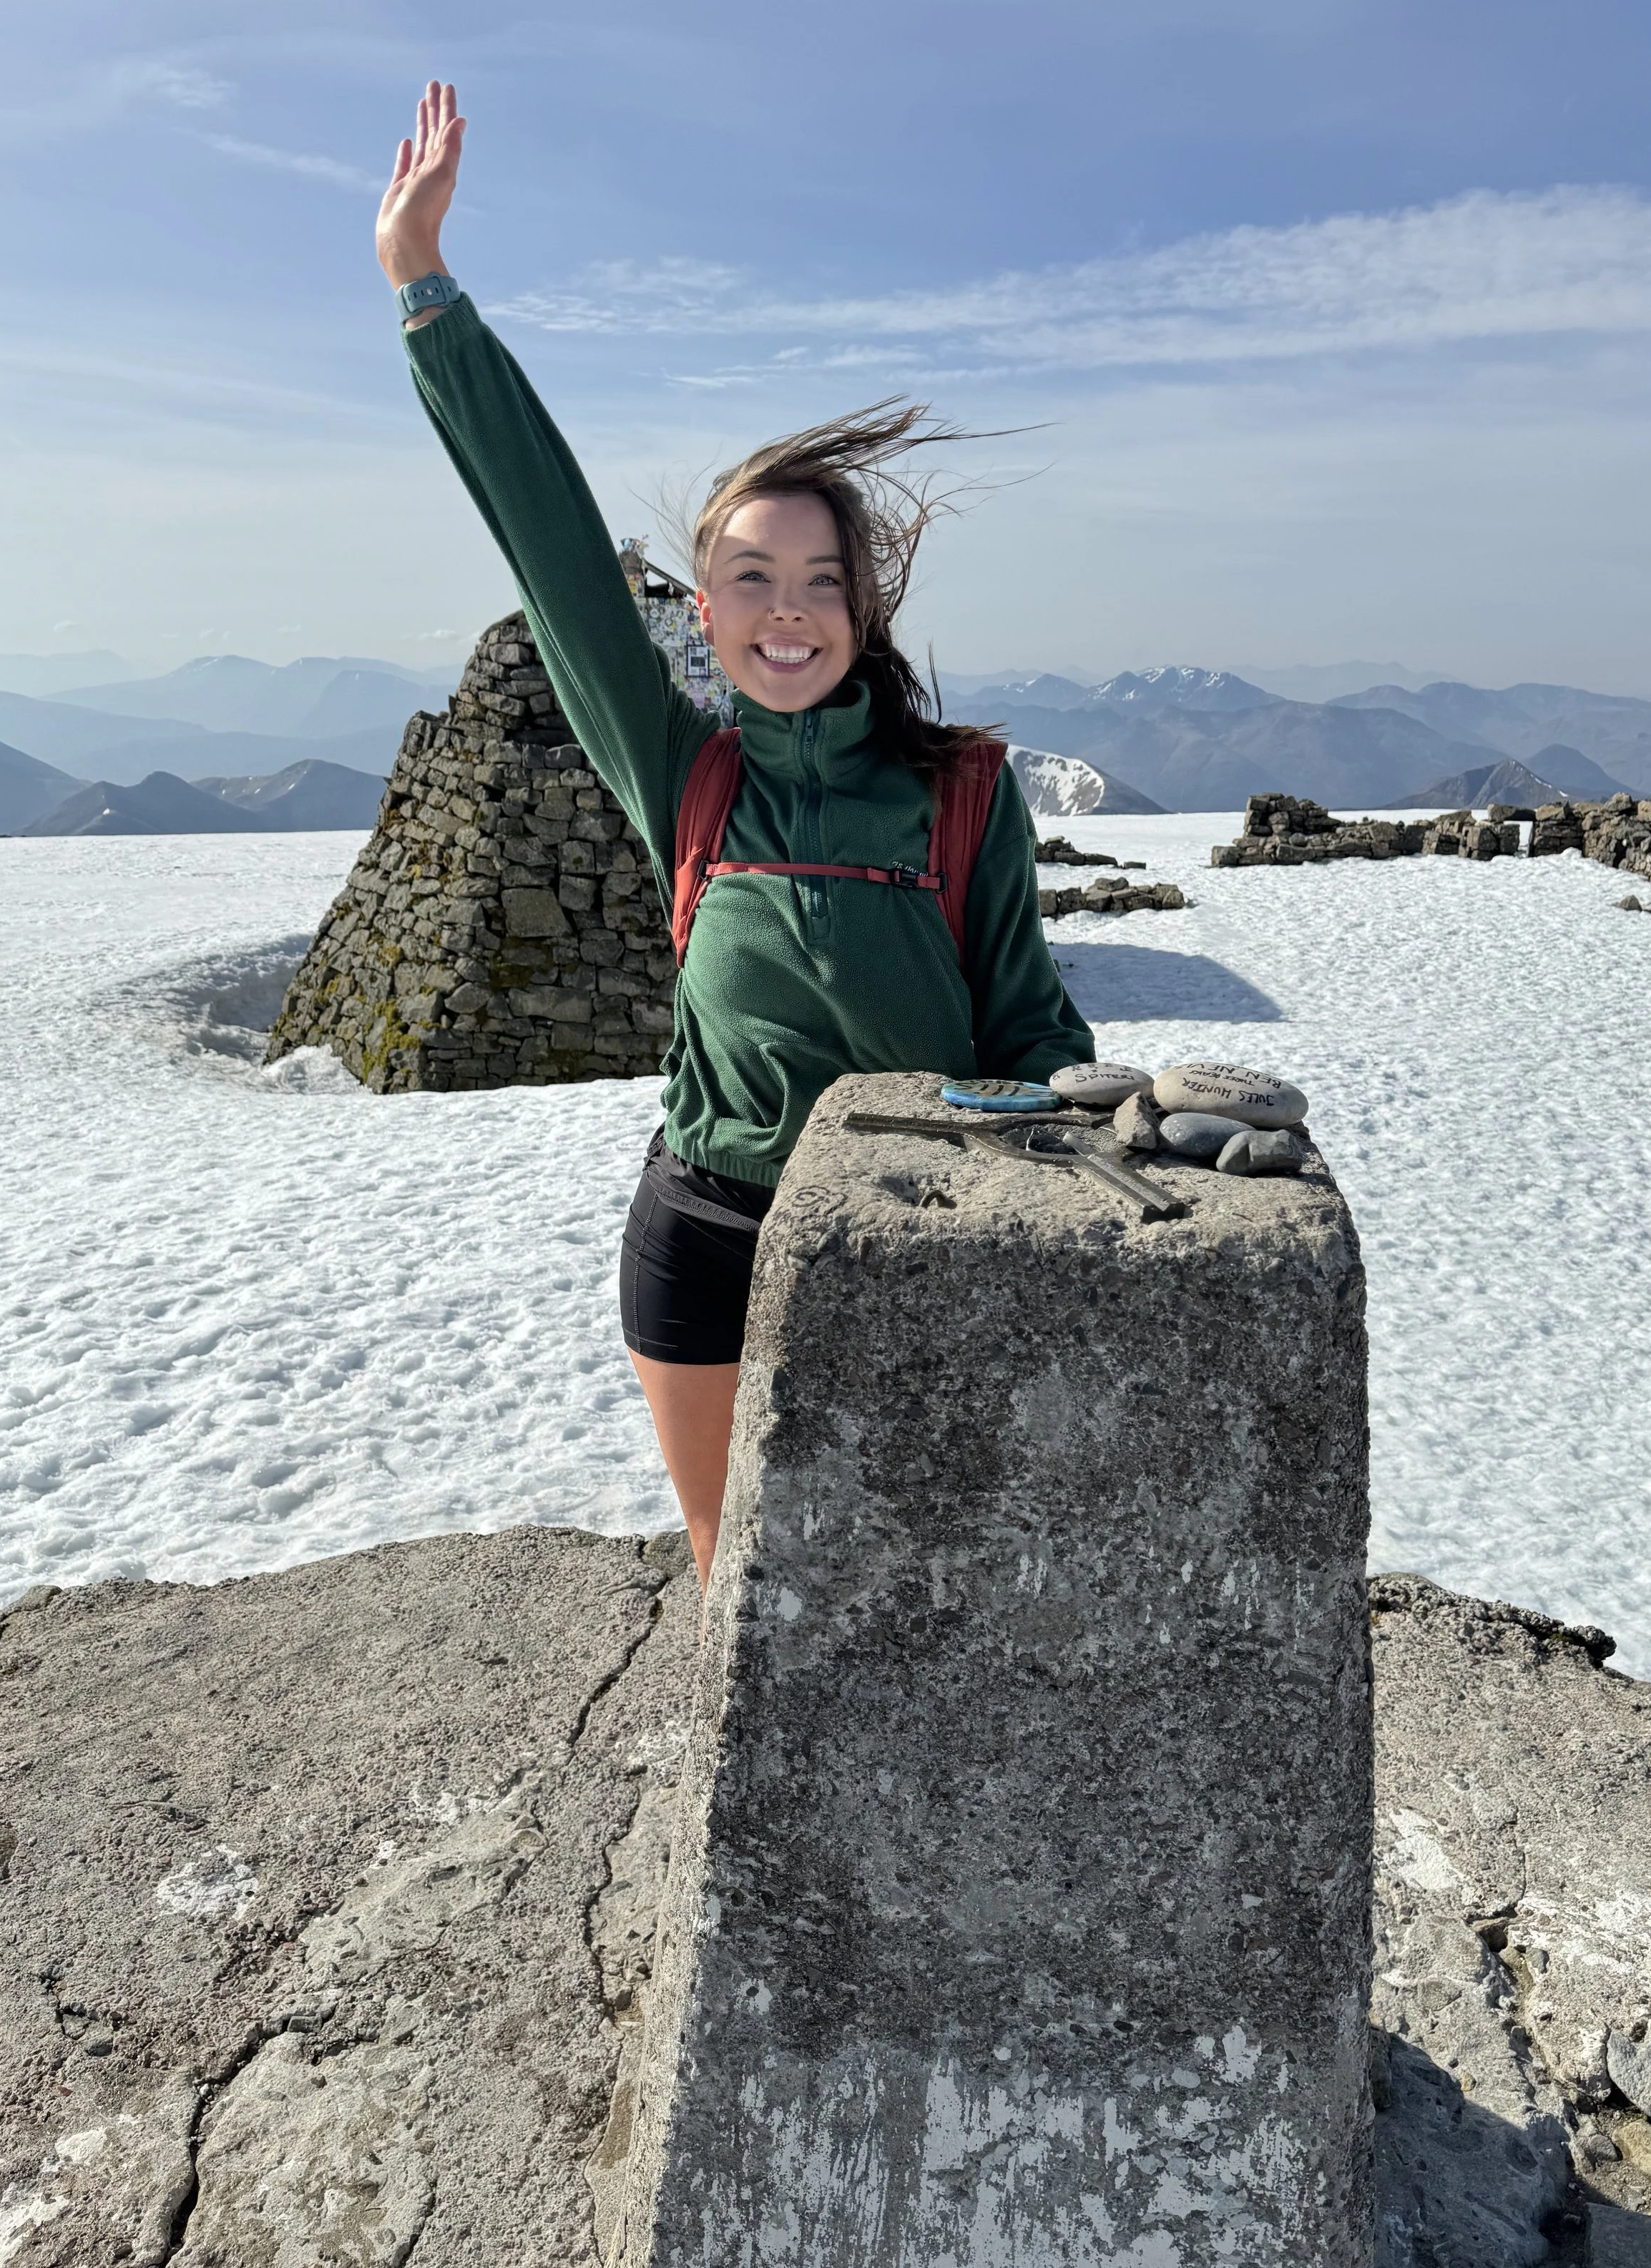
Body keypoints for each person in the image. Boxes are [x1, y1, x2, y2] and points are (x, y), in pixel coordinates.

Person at [378, 84, 1094, 1590]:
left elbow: (1030, 1023)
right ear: (704, 614)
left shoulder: (962, 789)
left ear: (862, 608)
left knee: (916, 1583)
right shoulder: (684, 773)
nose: (788, 611)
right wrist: (426, 294)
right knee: (740, 1585)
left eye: (822, 580)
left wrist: (1070, 1140)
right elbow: (554, 552)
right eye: (752, 578)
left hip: (917, 1231)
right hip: (701, 1233)